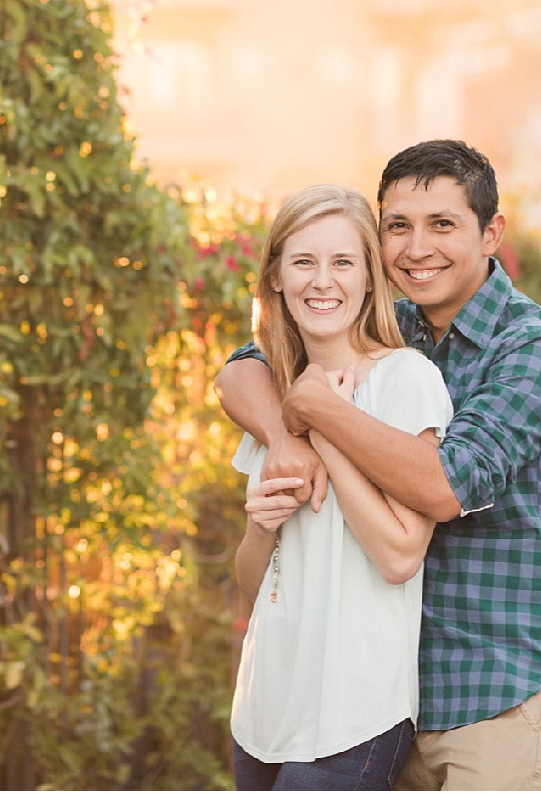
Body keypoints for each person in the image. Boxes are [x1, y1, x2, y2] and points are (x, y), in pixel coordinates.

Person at [216, 140, 541, 791]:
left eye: (442, 224)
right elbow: (243, 367)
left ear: (490, 233)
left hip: (498, 686)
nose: (418, 248)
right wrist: (285, 434)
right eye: (399, 226)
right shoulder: (400, 329)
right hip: (397, 688)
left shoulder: (534, 348)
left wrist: (318, 412)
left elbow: (446, 484)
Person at [228, 184, 454, 791]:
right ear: (275, 276)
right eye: (303, 261)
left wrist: (323, 424)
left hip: (354, 715)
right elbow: (254, 585)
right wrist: (261, 526)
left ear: (368, 280)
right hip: (263, 711)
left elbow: (399, 555)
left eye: (342, 262)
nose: (322, 281)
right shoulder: (273, 393)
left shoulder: (408, 379)